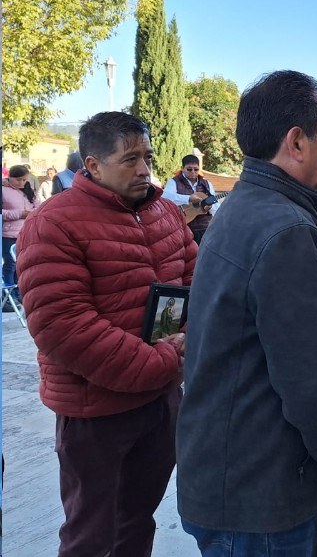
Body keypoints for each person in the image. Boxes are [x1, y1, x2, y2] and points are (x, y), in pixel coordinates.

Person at [176, 71, 317, 554]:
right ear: (297, 142)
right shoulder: (285, 230)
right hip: (258, 495)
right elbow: (311, 380)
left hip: (233, 479)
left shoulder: (247, 206)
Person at [16, 112, 194, 557]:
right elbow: (62, 325)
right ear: (92, 165)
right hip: (95, 410)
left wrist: (186, 342)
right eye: (130, 159)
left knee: (137, 521)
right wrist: (162, 361)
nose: (144, 169)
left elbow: (198, 284)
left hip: (160, 401)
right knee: (91, 532)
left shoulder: (165, 213)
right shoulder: (54, 222)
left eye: (148, 157)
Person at [2, 165, 39, 300]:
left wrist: (33, 212)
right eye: (18, 180)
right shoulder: (4, 190)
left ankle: (20, 294)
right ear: (10, 178)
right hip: (8, 234)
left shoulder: (28, 190)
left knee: (23, 264)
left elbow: (37, 206)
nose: (21, 183)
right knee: (10, 265)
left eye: (24, 180)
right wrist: (19, 214)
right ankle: (8, 296)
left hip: (26, 232)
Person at [163, 154, 218, 244]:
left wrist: (210, 207)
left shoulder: (207, 184)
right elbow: (165, 198)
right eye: (189, 169)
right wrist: (188, 198)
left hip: (205, 228)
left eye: (196, 169)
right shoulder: (174, 182)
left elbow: (215, 207)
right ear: (182, 168)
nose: (193, 172)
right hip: (183, 228)